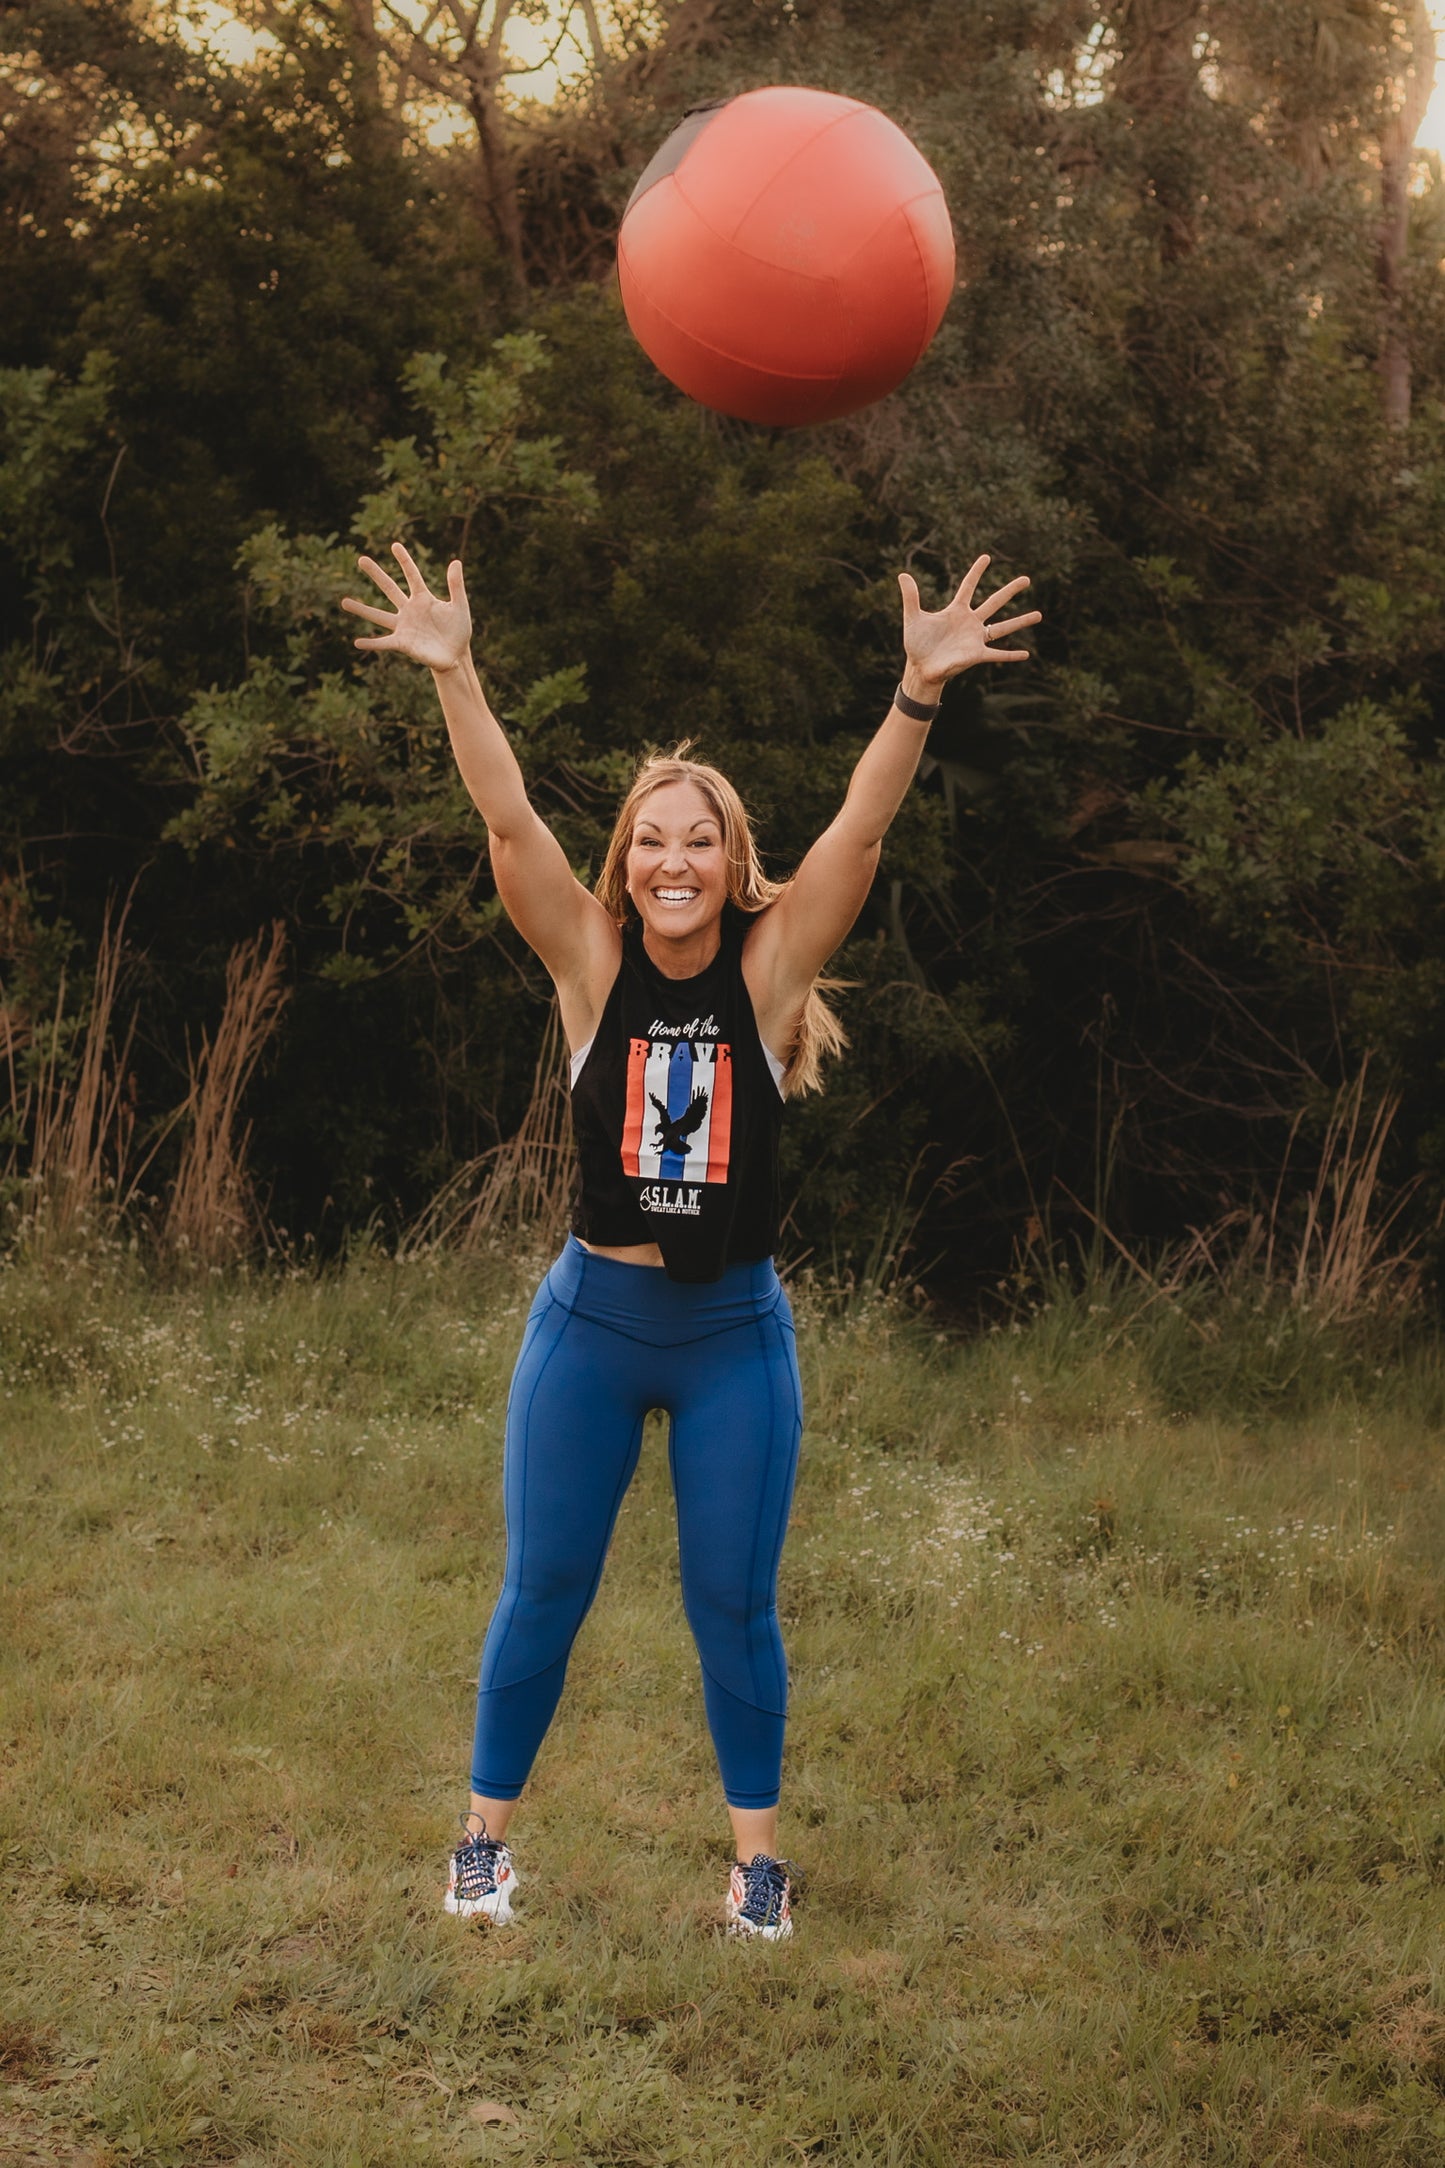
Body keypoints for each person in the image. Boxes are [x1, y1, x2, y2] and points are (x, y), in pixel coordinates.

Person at [342, 541, 1039, 1938]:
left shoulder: (768, 975)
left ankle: (755, 1870)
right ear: (628, 861)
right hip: (590, 1329)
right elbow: (506, 827)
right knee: (543, 1585)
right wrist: (456, 676)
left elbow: (856, 838)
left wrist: (914, 698)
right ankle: (483, 1844)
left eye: (698, 838)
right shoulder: (586, 965)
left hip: (730, 1339)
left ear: (731, 865)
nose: (672, 859)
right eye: (651, 837)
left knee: (732, 1602)